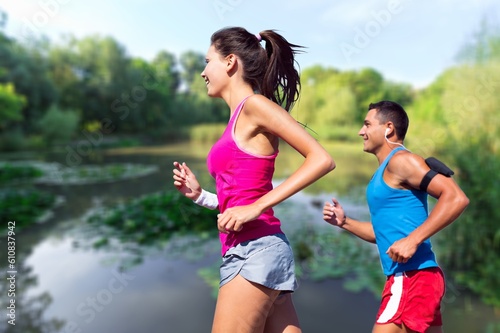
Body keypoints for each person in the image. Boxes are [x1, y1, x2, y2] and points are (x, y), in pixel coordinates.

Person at [173, 27, 335, 333]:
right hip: (255, 249)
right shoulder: (237, 117)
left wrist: (256, 208)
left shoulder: (254, 107)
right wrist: (201, 196)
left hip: (253, 250)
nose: (203, 71)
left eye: (208, 61)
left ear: (230, 62)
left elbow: (321, 159)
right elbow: (240, 198)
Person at [322, 100, 469, 333]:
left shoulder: (401, 161)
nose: (361, 131)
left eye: (367, 124)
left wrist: (413, 240)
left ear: (388, 128)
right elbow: (382, 234)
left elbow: (456, 198)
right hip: (413, 277)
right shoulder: (385, 171)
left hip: (411, 277)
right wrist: (345, 222)